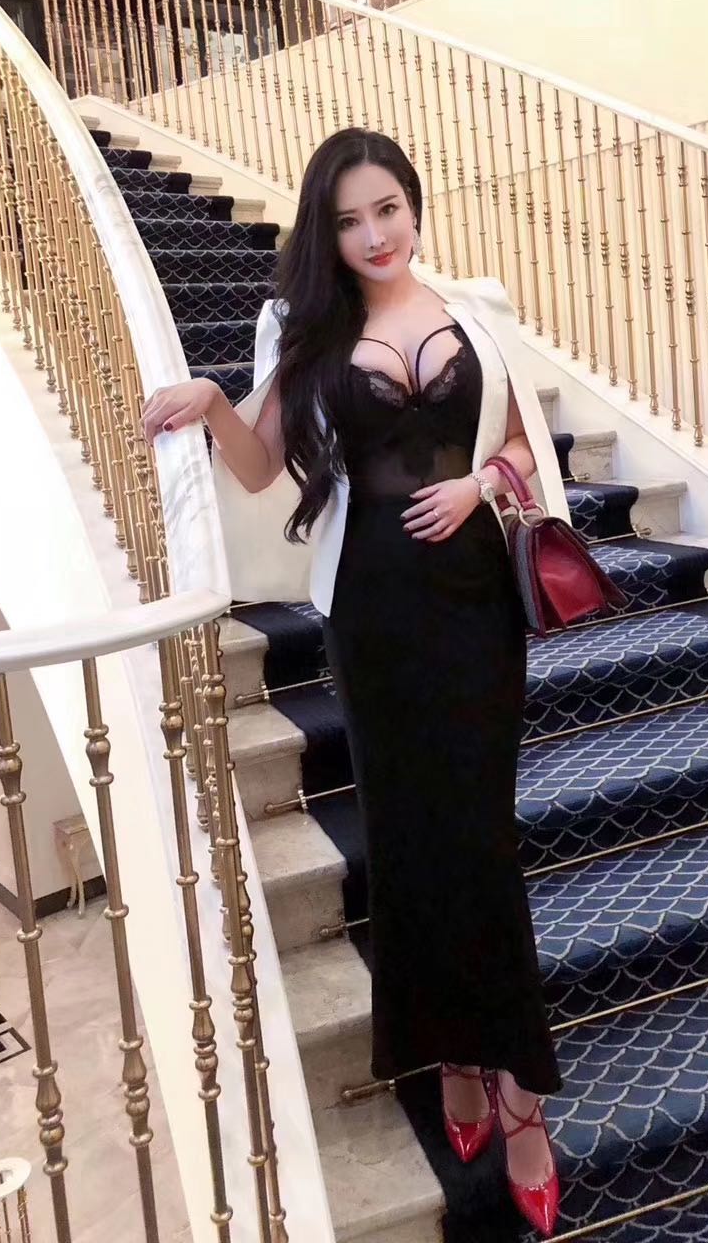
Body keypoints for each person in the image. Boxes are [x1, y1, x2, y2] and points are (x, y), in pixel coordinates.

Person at [142, 128, 567, 1236]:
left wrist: (479, 486)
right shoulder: (311, 329)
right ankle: (455, 1062)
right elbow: (258, 466)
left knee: (482, 840)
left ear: (414, 206)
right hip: (373, 612)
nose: (375, 235)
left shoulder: (475, 313)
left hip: (474, 607)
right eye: (349, 220)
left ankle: (519, 1094)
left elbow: (530, 443)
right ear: (326, 234)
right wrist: (213, 397)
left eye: (388, 209)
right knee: (409, 838)